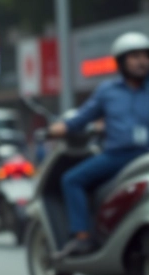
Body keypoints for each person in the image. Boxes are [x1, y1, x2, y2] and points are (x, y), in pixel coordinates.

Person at [48, 32, 149, 258]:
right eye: (134, 56)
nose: (141, 61)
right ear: (121, 62)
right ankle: (82, 237)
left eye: (145, 56)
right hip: (117, 157)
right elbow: (81, 119)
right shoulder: (107, 91)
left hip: (146, 155)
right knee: (72, 179)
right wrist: (57, 128)